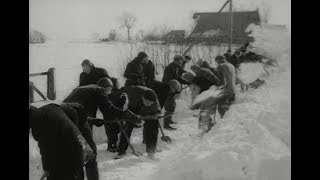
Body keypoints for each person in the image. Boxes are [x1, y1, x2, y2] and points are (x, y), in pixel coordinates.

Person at [63, 77, 141, 180]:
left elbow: (76, 107)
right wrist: (125, 114)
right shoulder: (99, 90)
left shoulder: (85, 89)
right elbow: (108, 108)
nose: (109, 93)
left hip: (64, 116)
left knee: (77, 150)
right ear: (105, 86)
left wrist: (91, 120)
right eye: (109, 89)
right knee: (91, 152)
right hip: (75, 117)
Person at [30, 103, 91, 180]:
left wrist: (46, 169)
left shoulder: (41, 126)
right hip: (82, 147)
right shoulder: (50, 107)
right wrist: (72, 131)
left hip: (71, 158)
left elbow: (46, 151)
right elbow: (72, 111)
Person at [115, 86, 161, 159]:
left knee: (153, 124)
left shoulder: (153, 100)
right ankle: (121, 151)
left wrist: (156, 114)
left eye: (151, 103)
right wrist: (135, 118)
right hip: (134, 105)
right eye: (148, 102)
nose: (149, 104)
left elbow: (157, 108)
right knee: (128, 126)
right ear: (143, 98)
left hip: (144, 107)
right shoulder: (133, 92)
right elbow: (126, 110)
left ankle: (151, 152)